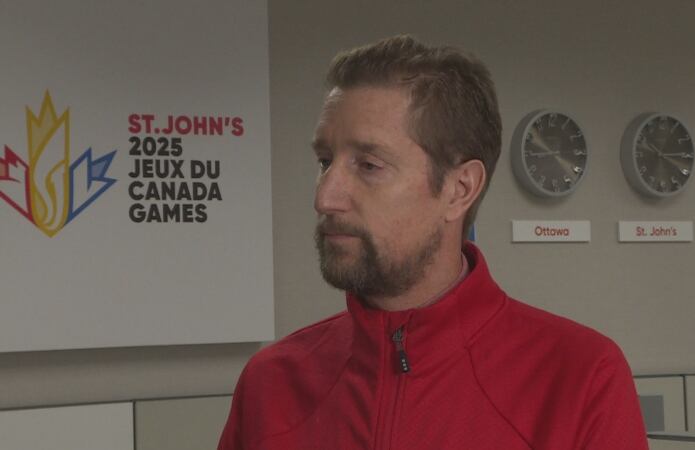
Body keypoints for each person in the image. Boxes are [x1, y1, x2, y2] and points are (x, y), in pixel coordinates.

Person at [219, 35, 648, 450]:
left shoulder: (581, 379)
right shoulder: (270, 384)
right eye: (325, 162)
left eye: (368, 165)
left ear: (459, 189)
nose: (324, 197)